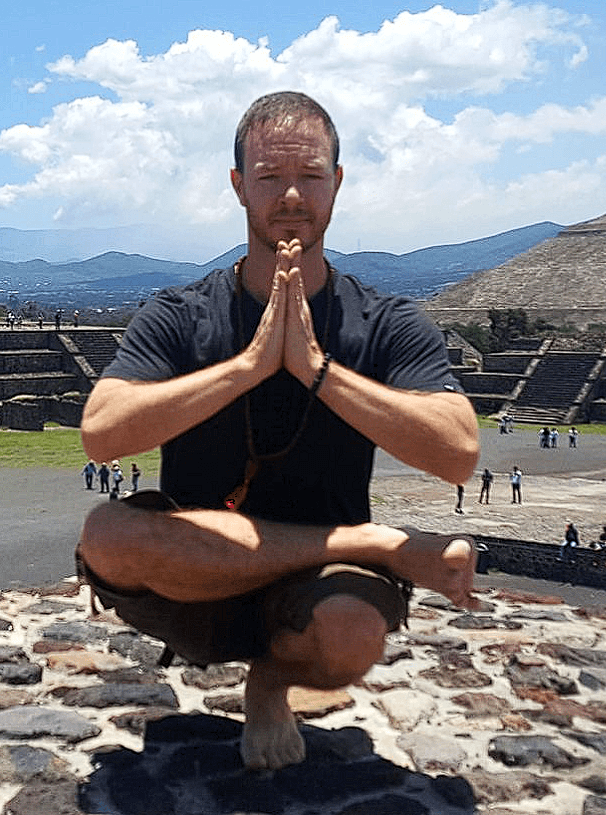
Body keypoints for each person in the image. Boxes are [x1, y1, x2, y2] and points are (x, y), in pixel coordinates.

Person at [76, 92, 480, 772]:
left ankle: (273, 679)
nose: (291, 195)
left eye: (311, 175)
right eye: (269, 177)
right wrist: (249, 365)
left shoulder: (386, 321)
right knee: (106, 534)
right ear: (238, 186)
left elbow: (459, 450)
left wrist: (317, 369)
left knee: (353, 633)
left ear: (337, 183)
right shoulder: (180, 314)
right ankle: (368, 543)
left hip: (327, 589)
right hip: (195, 573)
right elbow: (101, 433)